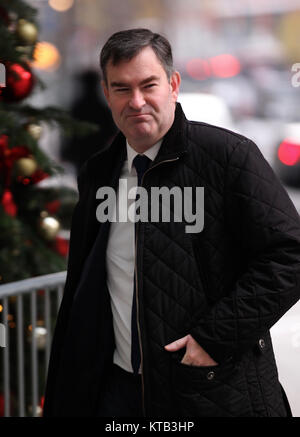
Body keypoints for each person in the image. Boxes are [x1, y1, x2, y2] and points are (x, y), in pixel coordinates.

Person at [43, 28, 300, 417]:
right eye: (122, 89)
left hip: (209, 390)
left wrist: (214, 339)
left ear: (173, 84)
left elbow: (291, 255)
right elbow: (88, 282)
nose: (137, 101)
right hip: (116, 393)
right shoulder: (99, 173)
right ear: (106, 93)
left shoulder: (228, 157)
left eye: (149, 85)